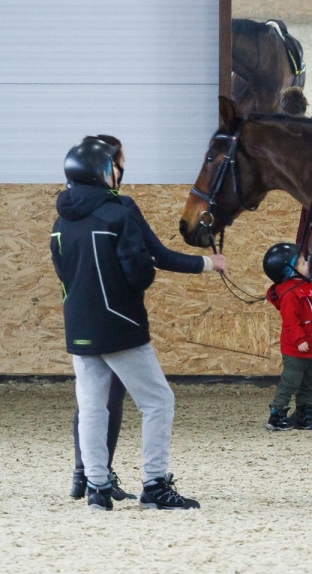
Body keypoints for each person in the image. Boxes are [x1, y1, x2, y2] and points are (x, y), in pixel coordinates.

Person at [63, 135, 223, 502]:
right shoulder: (118, 213)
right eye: (117, 165)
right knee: (158, 401)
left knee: (91, 407)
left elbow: (63, 271)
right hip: (120, 325)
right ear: (104, 171)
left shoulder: (61, 220)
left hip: (79, 327)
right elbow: (141, 270)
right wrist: (201, 265)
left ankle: (96, 486)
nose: (121, 171)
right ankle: (154, 483)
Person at [262, 243, 312, 431]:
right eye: (303, 263)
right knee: (290, 382)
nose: (308, 265)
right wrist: (300, 340)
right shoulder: (290, 294)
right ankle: (277, 415)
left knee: (309, 383)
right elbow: (290, 322)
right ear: (289, 270)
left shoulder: (308, 286)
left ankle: (306, 413)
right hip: (297, 349)